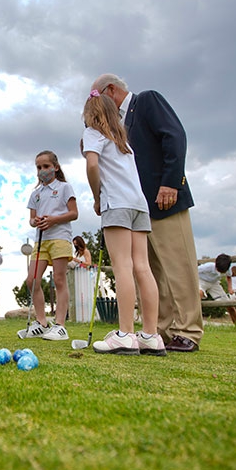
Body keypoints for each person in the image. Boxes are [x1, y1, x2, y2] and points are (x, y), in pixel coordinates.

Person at [93, 74, 202, 352]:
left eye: (97, 96)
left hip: (165, 199)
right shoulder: (118, 124)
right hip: (138, 209)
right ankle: (159, 332)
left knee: (178, 267)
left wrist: (170, 182)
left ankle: (187, 330)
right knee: (152, 272)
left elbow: (174, 136)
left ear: (111, 90)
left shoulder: (146, 101)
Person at [82, 91, 165, 355]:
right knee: (142, 267)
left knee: (122, 266)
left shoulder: (92, 135)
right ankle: (151, 335)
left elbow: (92, 166)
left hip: (116, 204)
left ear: (90, 115)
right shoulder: (124, 144)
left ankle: (126, 334)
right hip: (139, 205)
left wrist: (97, 197)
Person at [18, 150, 78, 341]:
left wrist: (54, 220)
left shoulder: (64, 187)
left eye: (46, 166)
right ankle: (42, 322)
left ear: (55, 167)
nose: (42, 170)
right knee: (32, 279)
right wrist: (36, 222)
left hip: (60, 237)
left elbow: (74, 213)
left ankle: (60, 325)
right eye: (39, 167)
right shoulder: (35, 194)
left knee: (59, 279)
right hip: (41, 240)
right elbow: (31, 219)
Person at [198, 254, 236, 325]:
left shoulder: (228, 270)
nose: (219, 272)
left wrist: (230, 288)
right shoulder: (208, 266)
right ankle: (195, 323)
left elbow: (229, 277)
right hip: (201, 281)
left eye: (222, 271)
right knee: (199, 295)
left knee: (229, 305)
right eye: (218, 269)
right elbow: (193, 271)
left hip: (214, 283)